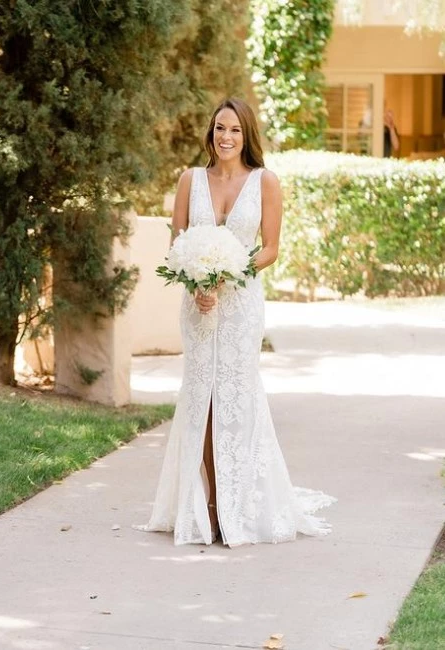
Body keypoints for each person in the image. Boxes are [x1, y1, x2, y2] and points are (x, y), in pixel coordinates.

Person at [145, 98, 334, 547]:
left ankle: (238, 499)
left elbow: (270, 247)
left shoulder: (265, 181)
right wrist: (197, 284)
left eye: (234, 130)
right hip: (199, 306)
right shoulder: (190, 180)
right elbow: (177, 240)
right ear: (210, 133)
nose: (225, 137)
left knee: (235, 394)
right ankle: (209, 506)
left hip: (241, 304)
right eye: (218, 128)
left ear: (247, 135)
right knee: (202, 398)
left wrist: (229, 274)